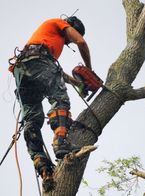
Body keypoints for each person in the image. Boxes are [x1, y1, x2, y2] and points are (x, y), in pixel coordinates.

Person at [8, 16, 92, 191]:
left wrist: (80, 83)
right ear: (71, 26)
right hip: (38, 61)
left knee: (32, 121)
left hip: (23, 71)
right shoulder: (59, 24)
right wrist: (89, 70)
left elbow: (55, 73)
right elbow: (81, 42)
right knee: (60, 100)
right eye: (70, 37)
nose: (69, 41)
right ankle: (61, 142)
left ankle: (45, 170)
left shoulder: (47, 40)